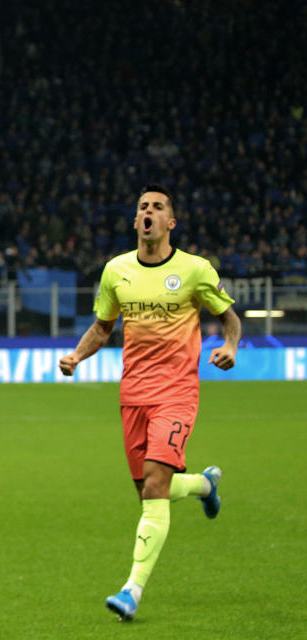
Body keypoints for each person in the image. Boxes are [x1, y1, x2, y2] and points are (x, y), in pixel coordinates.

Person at [58, 184, 241, 621]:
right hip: (133, 394)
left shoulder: (195, 270)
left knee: (156, 485)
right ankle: (203, 485)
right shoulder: (116, 270)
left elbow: (229, 318)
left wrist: (231, 346)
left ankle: (131, 590)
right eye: (143, 207)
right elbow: (102, 327)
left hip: (176, 392)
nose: (149, 212)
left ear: (170, 223)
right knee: (148, 492)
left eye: (158, 208)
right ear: (136, 219)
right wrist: (76, 355)